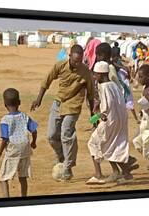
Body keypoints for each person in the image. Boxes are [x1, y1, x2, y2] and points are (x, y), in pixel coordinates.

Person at [30, 44, 94, 181]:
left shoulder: (86, 71)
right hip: (58, 102)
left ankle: (68, 167)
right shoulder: (60, 65)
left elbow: (90, 94)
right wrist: (38, 99)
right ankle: (61, 157)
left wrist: (93, 116)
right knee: (51, 135)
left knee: (67, 133)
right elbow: (47, 80)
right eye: (75, 60)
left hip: (74, 105)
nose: (77, 64)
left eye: (80, 61)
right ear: (70, 56)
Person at [86, 61, 135, 185]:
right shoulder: (114, 84)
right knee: (111, 146)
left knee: (93, 143)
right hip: (118, 120)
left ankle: (98, 175)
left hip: (109, 121)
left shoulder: (104, 86)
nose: (94, 77)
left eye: (95, 74)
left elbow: (106, 108)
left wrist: (96, 116)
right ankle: (119, 172)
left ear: (101, 75)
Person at [0, 88, 38, 197]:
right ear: (19, 102)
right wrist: (33, 142)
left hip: (13, 150)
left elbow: (5, 138)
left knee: (3, 178)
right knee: (23, 177)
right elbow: (34, 130)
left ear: (5, 104)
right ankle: (24, 197)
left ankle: (6, 199)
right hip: (25, 148)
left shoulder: (5, 120)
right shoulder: (24, 116)